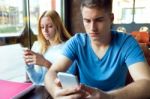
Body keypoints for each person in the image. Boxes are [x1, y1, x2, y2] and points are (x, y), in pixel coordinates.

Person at [45, 0, 150, 98]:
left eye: (99, 20)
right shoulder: (77, 42)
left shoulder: (127, 43)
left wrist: (108, 97)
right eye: (87, 21)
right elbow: (52, 72)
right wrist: (56, 92)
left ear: (111, 18)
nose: (92, 28)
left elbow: (147, 82)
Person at [24, 10, 74, 85]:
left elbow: (68, 81)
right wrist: (28, 66)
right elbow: (38, 80)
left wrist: (45, 63)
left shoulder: (69, 47)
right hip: (42, 90)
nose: (45, 30)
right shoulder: (39, 46)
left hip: (59, 91)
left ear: (58, 26)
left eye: (50, 26)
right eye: (42, 27)